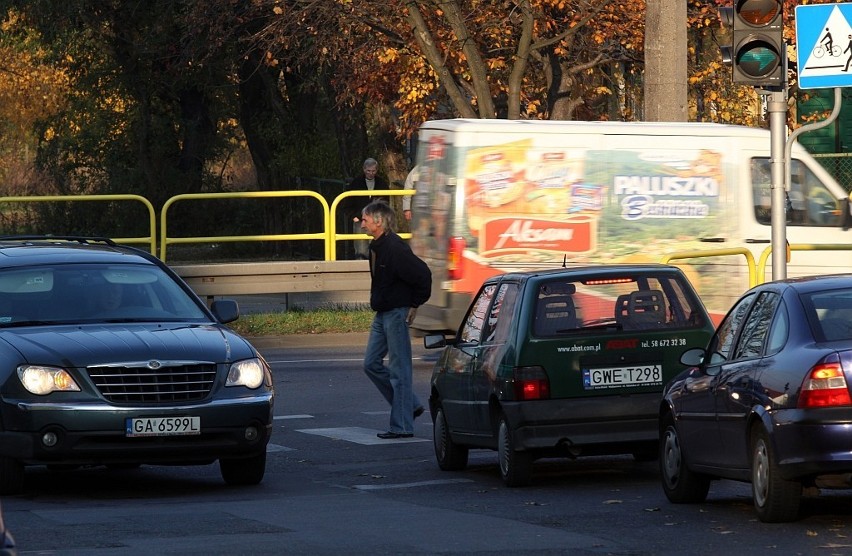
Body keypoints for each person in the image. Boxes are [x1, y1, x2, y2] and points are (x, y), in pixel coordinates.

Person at [359, 200, 431, 439]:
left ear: (378, 221)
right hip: (382, 312)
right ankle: (408, 405)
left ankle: (401, 426)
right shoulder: (377, 246)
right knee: (371, 364)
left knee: (400, 371)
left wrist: (414, 304)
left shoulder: (395, 248)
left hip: (396, 312)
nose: (363, 224)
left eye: (366, 219)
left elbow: (422, 274)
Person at [344, 158, 389, 259]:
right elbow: (347, 203)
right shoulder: (356, 183)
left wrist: (381, 218)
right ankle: (360, 269)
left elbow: (386, 203)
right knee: (361, 248)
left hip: (376, 221)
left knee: (376, 246)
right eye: (368, 171)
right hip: (360, 220)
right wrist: (354, 217)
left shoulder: (382, 183)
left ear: (377, 170)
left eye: (373, 171)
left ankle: (375, 268)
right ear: (364, 169)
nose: (371, 173)